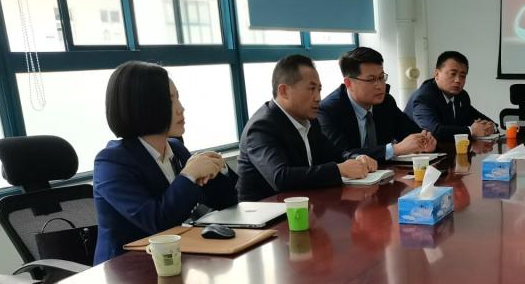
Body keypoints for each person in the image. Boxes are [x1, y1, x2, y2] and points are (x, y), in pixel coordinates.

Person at [93, 61, 238, 264]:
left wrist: (218, 168)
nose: (181, 109)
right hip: (127, 268)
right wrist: (189, 175)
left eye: (178, 98)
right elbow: (157, 222)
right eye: (170, 101)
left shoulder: (176, 148)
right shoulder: (111, 163)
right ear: (143, 106)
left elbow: (227, 202)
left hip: (177, 257)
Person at [237, 54, 377, 202]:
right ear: (284, 91)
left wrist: (356, 159)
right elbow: (280, 177)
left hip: (305, 205)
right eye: (311, 89)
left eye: (319, 90)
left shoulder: (310, 120)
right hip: (266, 211)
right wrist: (339, 170)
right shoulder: (262, 127)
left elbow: (335, 154)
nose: (318, 98)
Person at [317, 46, 436, 161]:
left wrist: (425, 142)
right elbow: (343, 154)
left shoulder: (386, 102)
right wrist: (394, 150)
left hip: (386, 172)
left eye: (381, 77)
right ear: (349, 83)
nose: (380, 86)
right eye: (371, 80)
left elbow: (411, 133)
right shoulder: (328, 110)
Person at [404, 51, 496, 141]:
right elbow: (435, 131)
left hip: (447, 147)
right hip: (415, 150)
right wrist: (471, 130)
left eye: (462, 76)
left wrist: (491, 127)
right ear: (437, 74)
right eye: (453, 74)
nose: (458, 80)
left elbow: (477, 118)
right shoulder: (424, 97)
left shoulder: (462, 96)